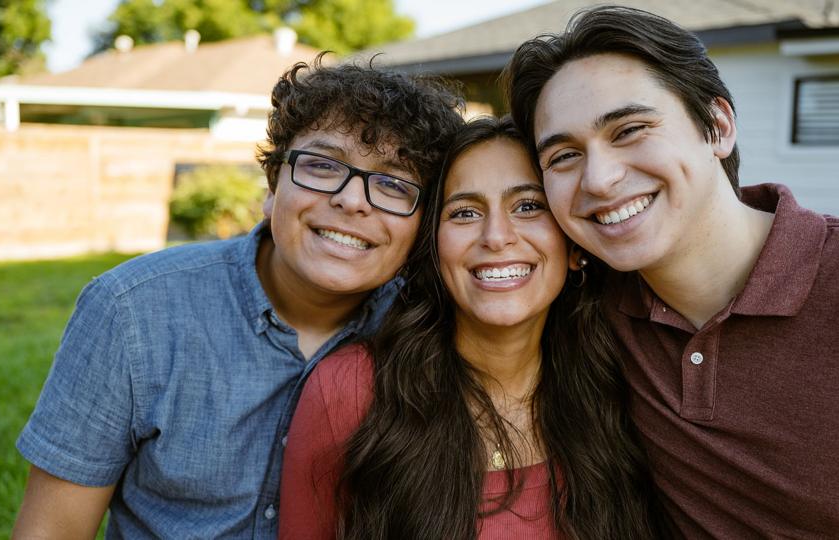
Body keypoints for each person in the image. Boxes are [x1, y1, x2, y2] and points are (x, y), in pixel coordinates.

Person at [505, 5, 839, 537]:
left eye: (630, 129)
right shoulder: (587, 302)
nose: (601, 179)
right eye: (563, 155)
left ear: (717, 126)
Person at [11, 59, 463, 539]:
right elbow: (51, 530)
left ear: (421, 226)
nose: (353, 200)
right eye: (322, 165)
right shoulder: (131, 312)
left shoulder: (430, 329)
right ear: (271, 189)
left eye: (393, 183)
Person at [278, 116, 670, 539]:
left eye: (528, 206)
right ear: (433, 247)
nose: (496, 237)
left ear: (574, 245)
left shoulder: (625, 383)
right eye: (465, 212)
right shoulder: (352, 390)